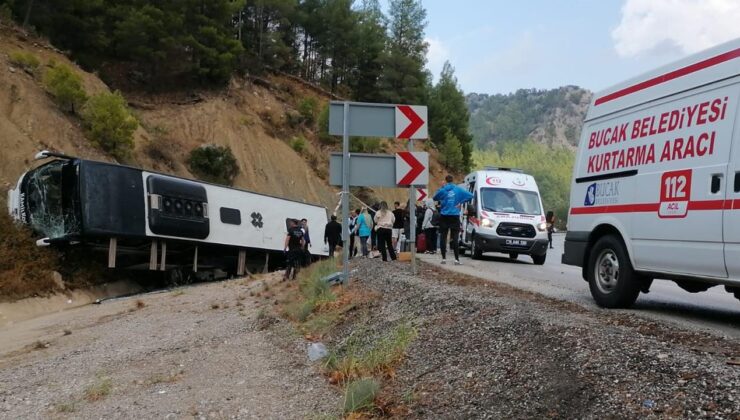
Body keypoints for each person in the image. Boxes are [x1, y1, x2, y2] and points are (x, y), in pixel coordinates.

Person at [433, 175, 474, 265]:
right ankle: (456, 260)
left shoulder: (443, 190)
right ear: (453, 180)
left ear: (446, 181)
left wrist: (441, 192)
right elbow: (471, 195)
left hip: (444, 215)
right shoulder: (458, 189)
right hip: (455, 216)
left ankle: (444, 259)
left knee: (443, 237)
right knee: (455, 238)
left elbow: (435, 198)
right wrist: (460, 202)